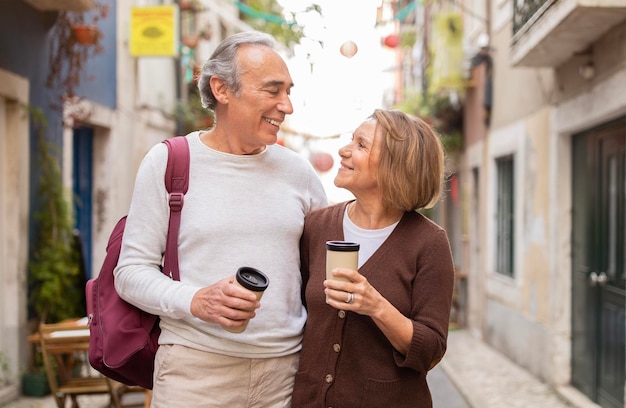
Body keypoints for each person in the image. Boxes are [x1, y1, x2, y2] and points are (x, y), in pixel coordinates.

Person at [114, 31, 328, 407]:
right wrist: (197, 300)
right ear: (222, 89)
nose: (287, 106)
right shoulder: (169, 162)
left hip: (285, 375)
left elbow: (321, 272)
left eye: (288, 91)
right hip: (193, 375)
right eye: (273, 90)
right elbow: (130, 273)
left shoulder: (299, 173)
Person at [291, 109, 455, 408]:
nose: (344, 150)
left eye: (361, 145)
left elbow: (430, 350)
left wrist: (376, 306)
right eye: (351, 140)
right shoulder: (316, 226)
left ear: (394, 166)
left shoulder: (428, 242)